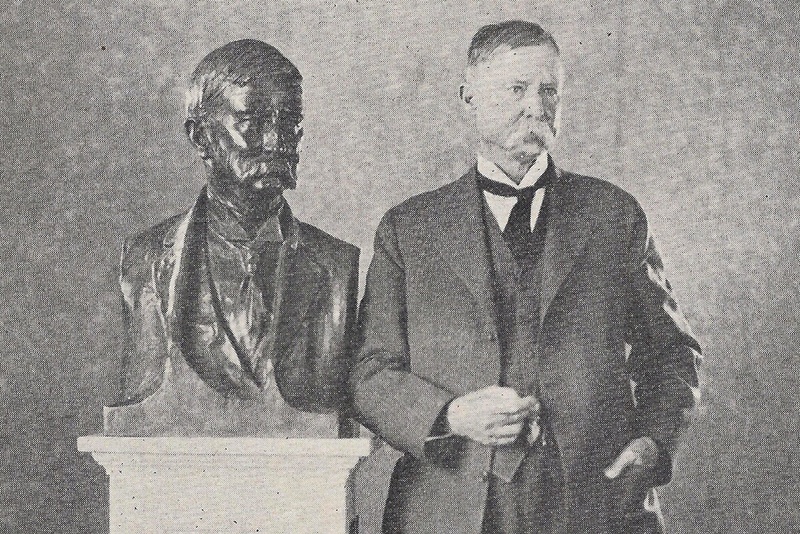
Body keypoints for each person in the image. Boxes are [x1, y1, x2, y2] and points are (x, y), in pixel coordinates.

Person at [350, 21, 701, 534]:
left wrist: (653, 441)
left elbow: (672, 353)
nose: (537, 106)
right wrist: (451, 415)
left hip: (594, 504)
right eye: (517, 89)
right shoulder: (409, 229)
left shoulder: (614, 215)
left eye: (549, 90)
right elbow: (368, 373)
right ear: (469, 97)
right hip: (449, 507)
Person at [105, 40, 359, 438]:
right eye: (252, 123)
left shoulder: (336, 263)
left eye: (290, 122)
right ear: (200, 137)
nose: (277, 142)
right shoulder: (145, 259)